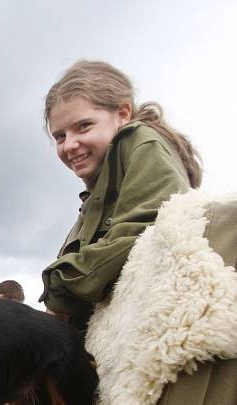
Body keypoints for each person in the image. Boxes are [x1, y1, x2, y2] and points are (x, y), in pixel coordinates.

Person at [39, 60, 201, 329]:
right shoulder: (98, 191)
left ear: (123, 113)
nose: (70, 145)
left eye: (83, 126)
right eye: (60, 136)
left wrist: (61, 292)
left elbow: (148, 226)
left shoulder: (137, 140)